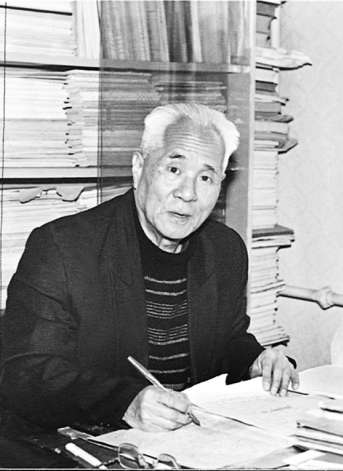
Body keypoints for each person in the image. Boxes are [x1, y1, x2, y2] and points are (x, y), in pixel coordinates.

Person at [0, 103, 298, 434]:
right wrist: (124, 403)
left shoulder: (225, 249)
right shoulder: (62, 247)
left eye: (206, 177)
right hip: (83, 440)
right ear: (139, 167)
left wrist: (257, 360)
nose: (188, 194)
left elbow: (228, 340)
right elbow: (26, 374)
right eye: (174, 169)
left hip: (188, 440)